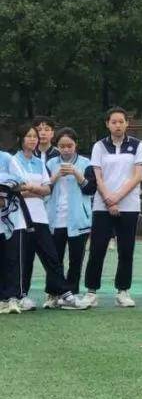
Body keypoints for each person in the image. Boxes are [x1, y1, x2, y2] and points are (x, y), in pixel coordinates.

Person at [11, 126, 86, 310]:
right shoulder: (13, 161)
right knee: (24, 259)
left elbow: (47, 189)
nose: (33, 139)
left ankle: (65, 294)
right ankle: (22, 296)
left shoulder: (38, 162)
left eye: (35, 137)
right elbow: (14, 190)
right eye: (28, 136)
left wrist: (31, 188)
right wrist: (33, 189)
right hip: (20, 218)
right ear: (20, 138)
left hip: (40, 218)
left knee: (52, 257)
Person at [78, 108, 142, 308]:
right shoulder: (99, 146)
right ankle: (91, 291)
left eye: (121, 122)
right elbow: (97, 176)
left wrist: (117, 197)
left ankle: (123, 291)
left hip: (129, 205)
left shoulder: (137, 145)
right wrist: (108, 198)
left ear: (127, 124)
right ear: (107, 124)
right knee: (97, 249)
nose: (117, 125)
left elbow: (137, 176)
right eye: (113, 122)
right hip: (102, 206)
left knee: (126, 250)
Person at [46, 128, 96, 296]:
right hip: (56, 219)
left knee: (76, 260)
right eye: (62, 146)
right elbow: (44, 189)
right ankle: (54, 293)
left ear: (76, 145)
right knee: (54, 260)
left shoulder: (86, 164)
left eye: (70, 145)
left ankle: (71, 293)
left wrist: (76, 173)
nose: (66, 149)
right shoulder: (50, 164)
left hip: (78, 219)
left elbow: (90, 189)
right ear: (57, 146)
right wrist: (55, 177)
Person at [0, 151, 31, 314]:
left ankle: (14, 297)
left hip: (13, 219)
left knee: (13, 259)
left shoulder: (7, 158)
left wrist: (5, 190)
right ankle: (2, 299)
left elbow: (22, 182)